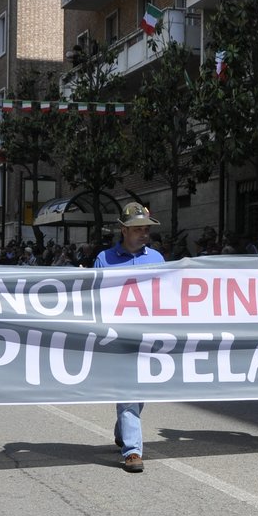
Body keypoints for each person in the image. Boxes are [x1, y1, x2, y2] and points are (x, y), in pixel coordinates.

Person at [93, 202, 165, 472]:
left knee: (140, 392)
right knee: (129, 391)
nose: (144, 233)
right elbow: (94, 297)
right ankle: (132, 451)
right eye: (138, 228)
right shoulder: (104, 259)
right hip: (119, 337)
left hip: (147, 336)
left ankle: (123, 430)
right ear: (123, 230)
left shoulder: (157, 259)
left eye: (146, 228)